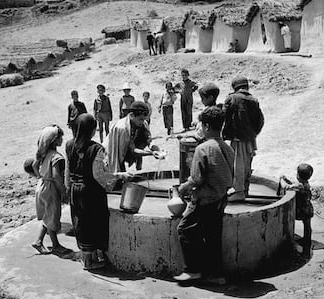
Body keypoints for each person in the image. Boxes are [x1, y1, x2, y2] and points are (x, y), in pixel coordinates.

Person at [175, 106, 234, 283]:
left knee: (184, 230)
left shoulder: (203, 149)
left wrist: (183, 188)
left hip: (205, 199)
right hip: (221, 198)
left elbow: (196, 179)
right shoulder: (227, 148)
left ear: (206, 126)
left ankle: (192, 270)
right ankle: (216, 275)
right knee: (213, 236)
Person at [65, 114, 130, 270]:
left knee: (81, 222)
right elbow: (98, 175)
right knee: (94, 222)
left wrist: (68, 188)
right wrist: (118, 176)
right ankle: (89, 262)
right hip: (91, 191)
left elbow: (67, 171)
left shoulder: (69, 145)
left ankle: (88, 257)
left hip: (75, 189)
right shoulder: (96, 148)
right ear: (92, 130)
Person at [222, 75, 264, 202]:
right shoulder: (254, 100)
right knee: (247, 164)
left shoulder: (232, 98)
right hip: (250, 139)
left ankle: (239, 192)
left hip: (238, 138)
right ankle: (245, 190)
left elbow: (224, 116)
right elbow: (260, 121)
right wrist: (253, 134)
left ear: (235, 87)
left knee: (238, 165)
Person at [30, 125, 68, 256]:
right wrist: (63, 191)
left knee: (48, 215)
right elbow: (57, 176)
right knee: (53, 216)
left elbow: (34, 166)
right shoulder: (57, 157)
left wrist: (41, 176)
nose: (62, 139)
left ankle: (41, 241)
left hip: (42, 185)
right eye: (60, 137)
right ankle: (49, 243)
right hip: (51, 188)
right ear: (55, 140)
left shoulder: (43, 154)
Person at [106, 101, 162, 176]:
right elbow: (132, 150)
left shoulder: (143, 123)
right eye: (140, 119)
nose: (142, 121)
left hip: (125, 152)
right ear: (132, 115)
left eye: (144, 119)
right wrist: (151, 153)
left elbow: (149, 139)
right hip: (111, 155)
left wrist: (158, 150)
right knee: (117, 176)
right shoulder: (123, 128)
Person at [280, 163, 314, 257]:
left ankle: (298, 245)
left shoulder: (299, 185)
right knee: (307, 226)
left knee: (292, 222)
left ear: (298, 175)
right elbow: (293, 185)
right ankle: (307, 241)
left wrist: (282, 180)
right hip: (308, 208)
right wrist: (288, 180)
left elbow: (286, 187)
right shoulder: (306, 183)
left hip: (300, 210)